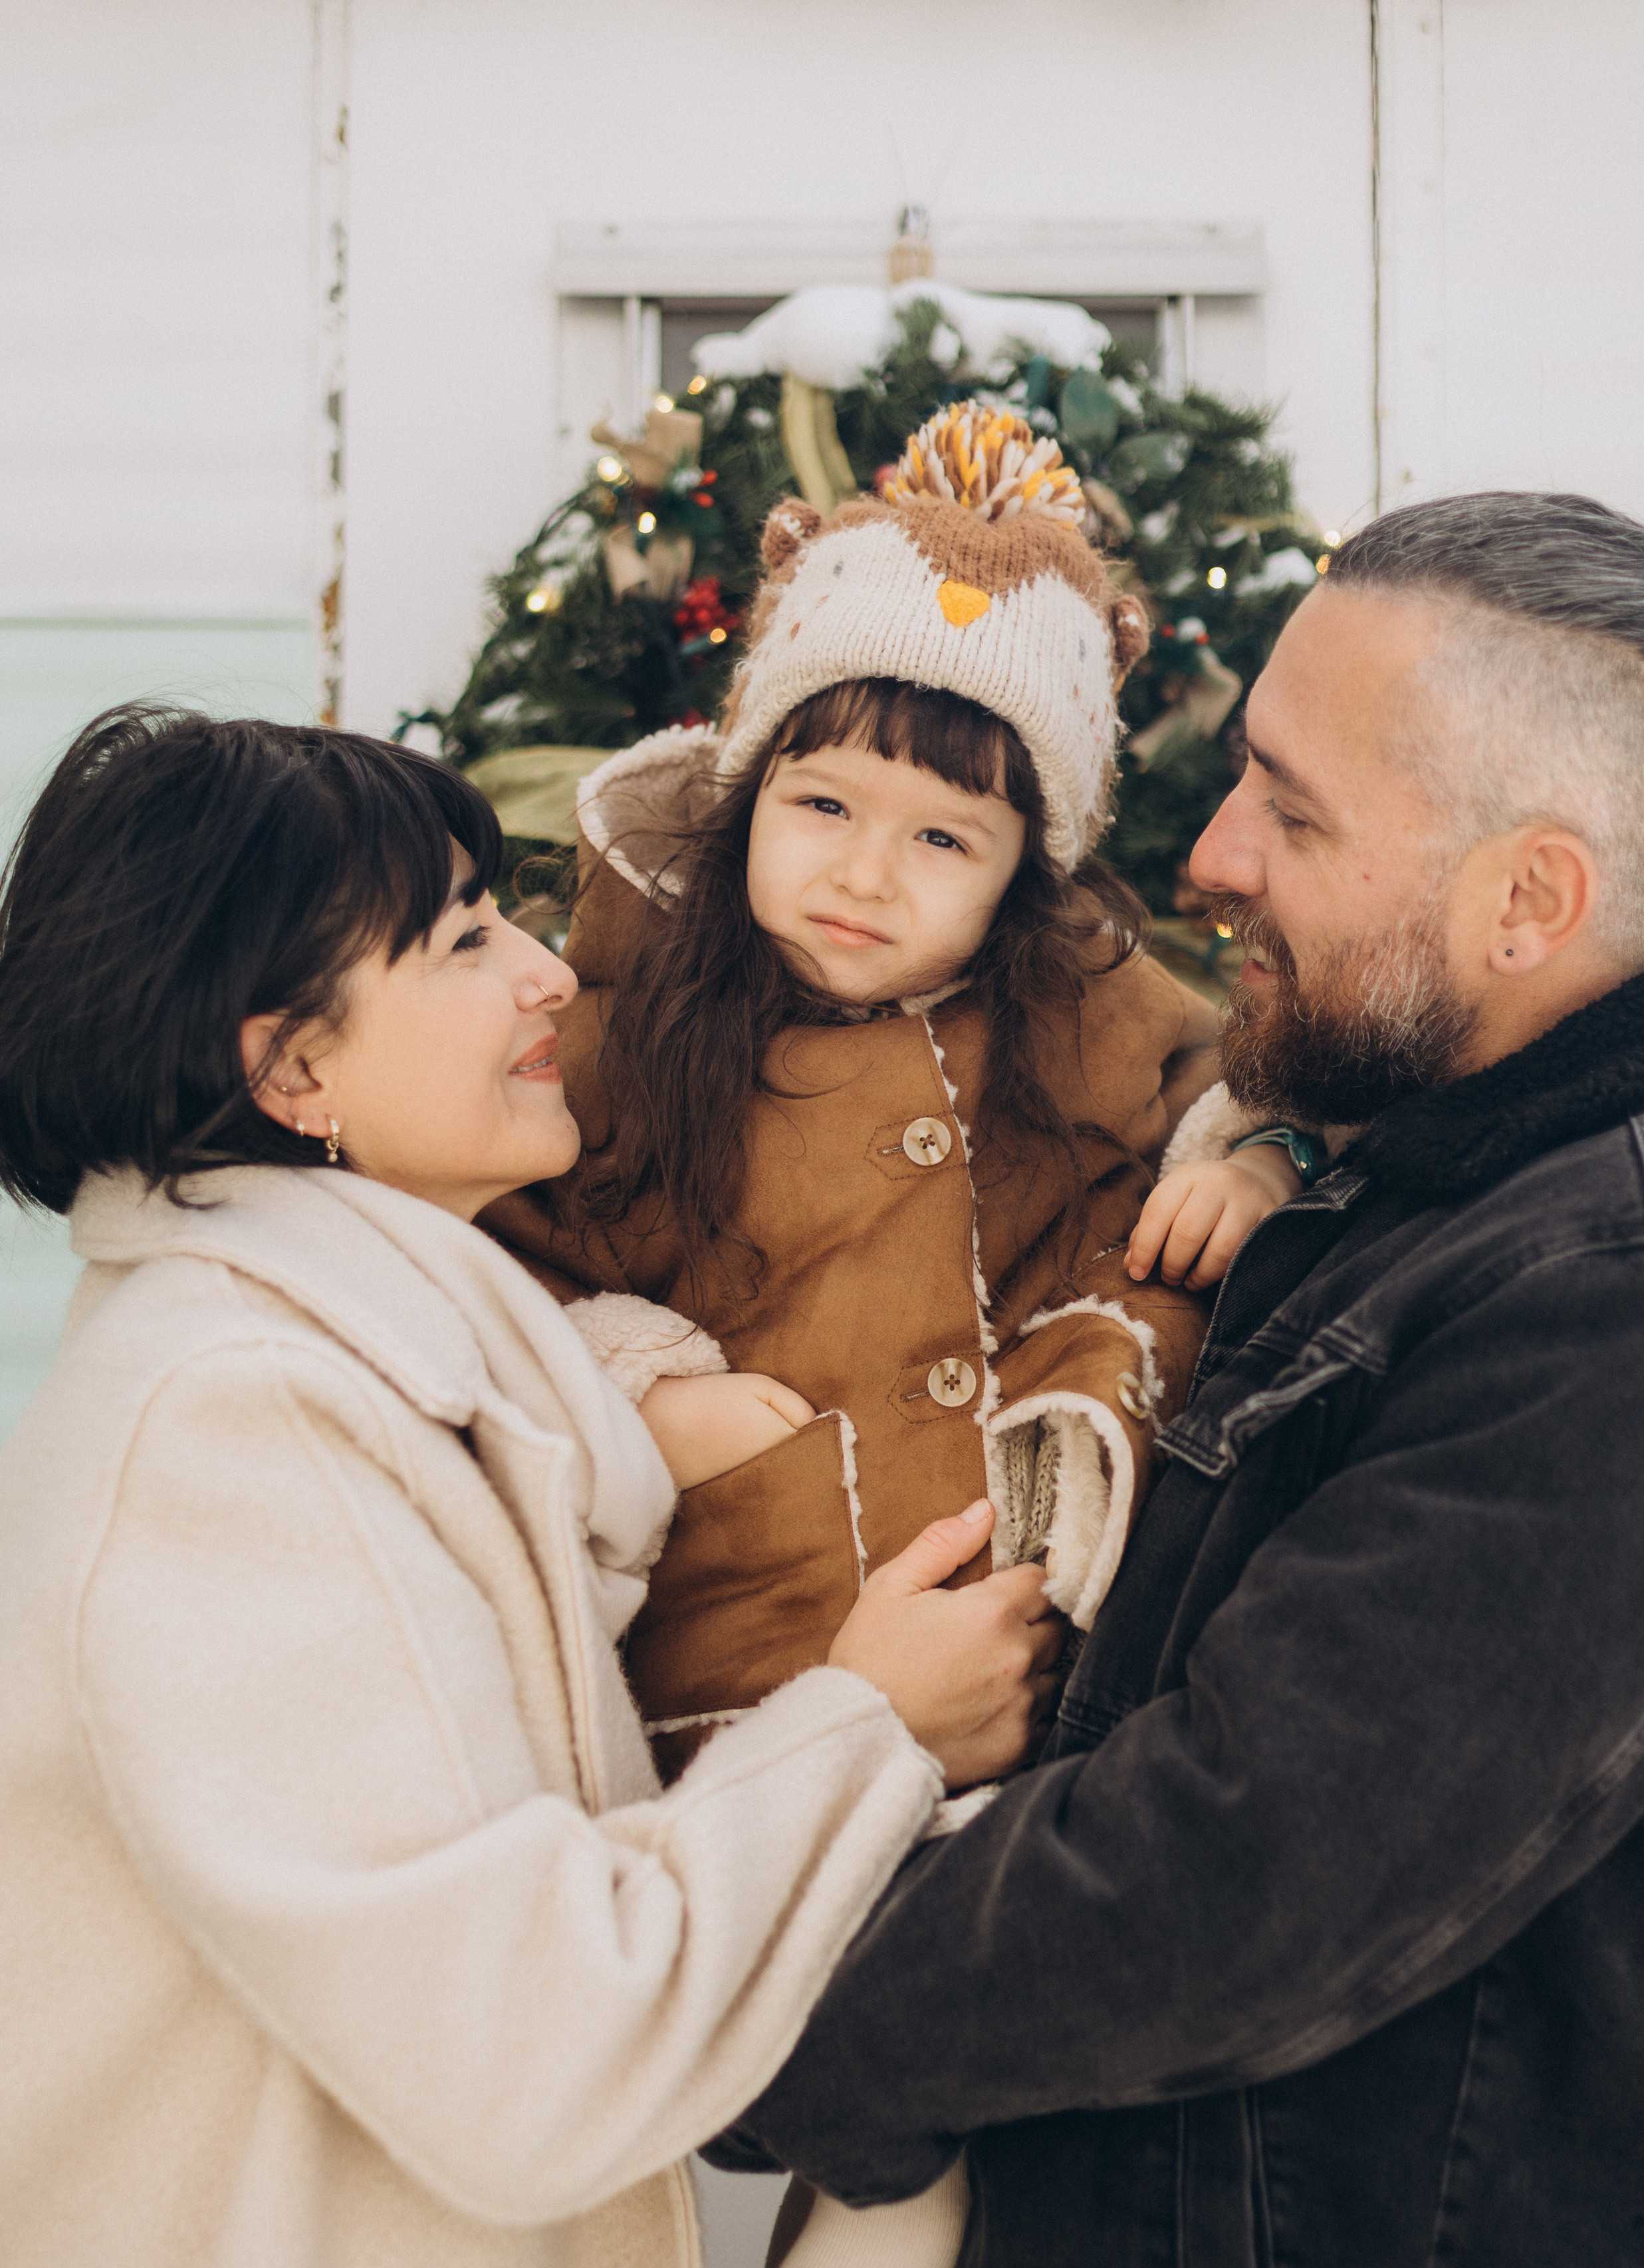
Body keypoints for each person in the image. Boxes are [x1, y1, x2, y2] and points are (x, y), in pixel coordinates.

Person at [706, 491, 1644, 2268]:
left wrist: (735, 2004)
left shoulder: (1627, 1297)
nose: (1207, 860)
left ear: (1531, 898)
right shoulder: (1407, 1178)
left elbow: (1243, 1865)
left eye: (1291, 811)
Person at [0, 708, 1062, 2268]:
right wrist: (865, 1724)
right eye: (463, 938)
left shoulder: (389, 1387)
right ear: (295, 1068)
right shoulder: (237, 1432)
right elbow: (527, 2050)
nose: (548, 971)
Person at [483, 401, 1304, 1783]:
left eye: (942, 837)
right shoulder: (623, 1032)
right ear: (749, 791)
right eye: (822, 809)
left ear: (1019, 872)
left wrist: (1251, 1158)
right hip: (739, 1666)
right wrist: (634, 1383)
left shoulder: (1079, 1003)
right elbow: (481, 1265)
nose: (866, 876)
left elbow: (1245, 1080)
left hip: (1030, 1680)